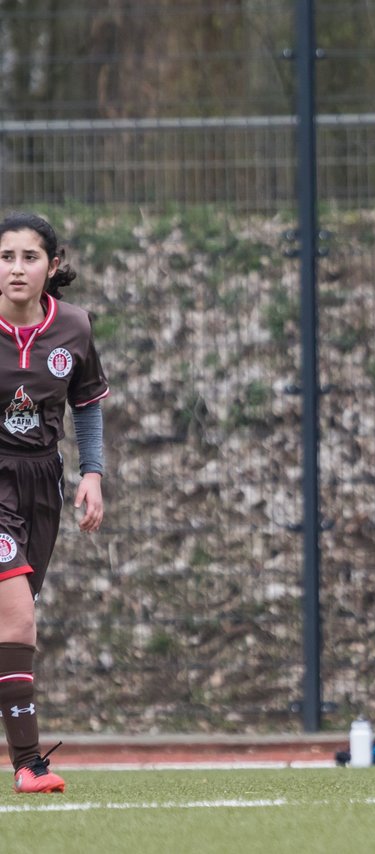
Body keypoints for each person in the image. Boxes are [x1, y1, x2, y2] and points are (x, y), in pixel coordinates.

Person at [0, 213, 110, 793]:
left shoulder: (74, 328)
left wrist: (92, 473)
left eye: (29, 257)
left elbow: (87, 405)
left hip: (42, 483)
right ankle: (29, 764)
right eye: (6, 257)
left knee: (9, 628)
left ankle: (24, 760)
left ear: (53, 264)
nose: (16, 268)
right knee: (18, 615)